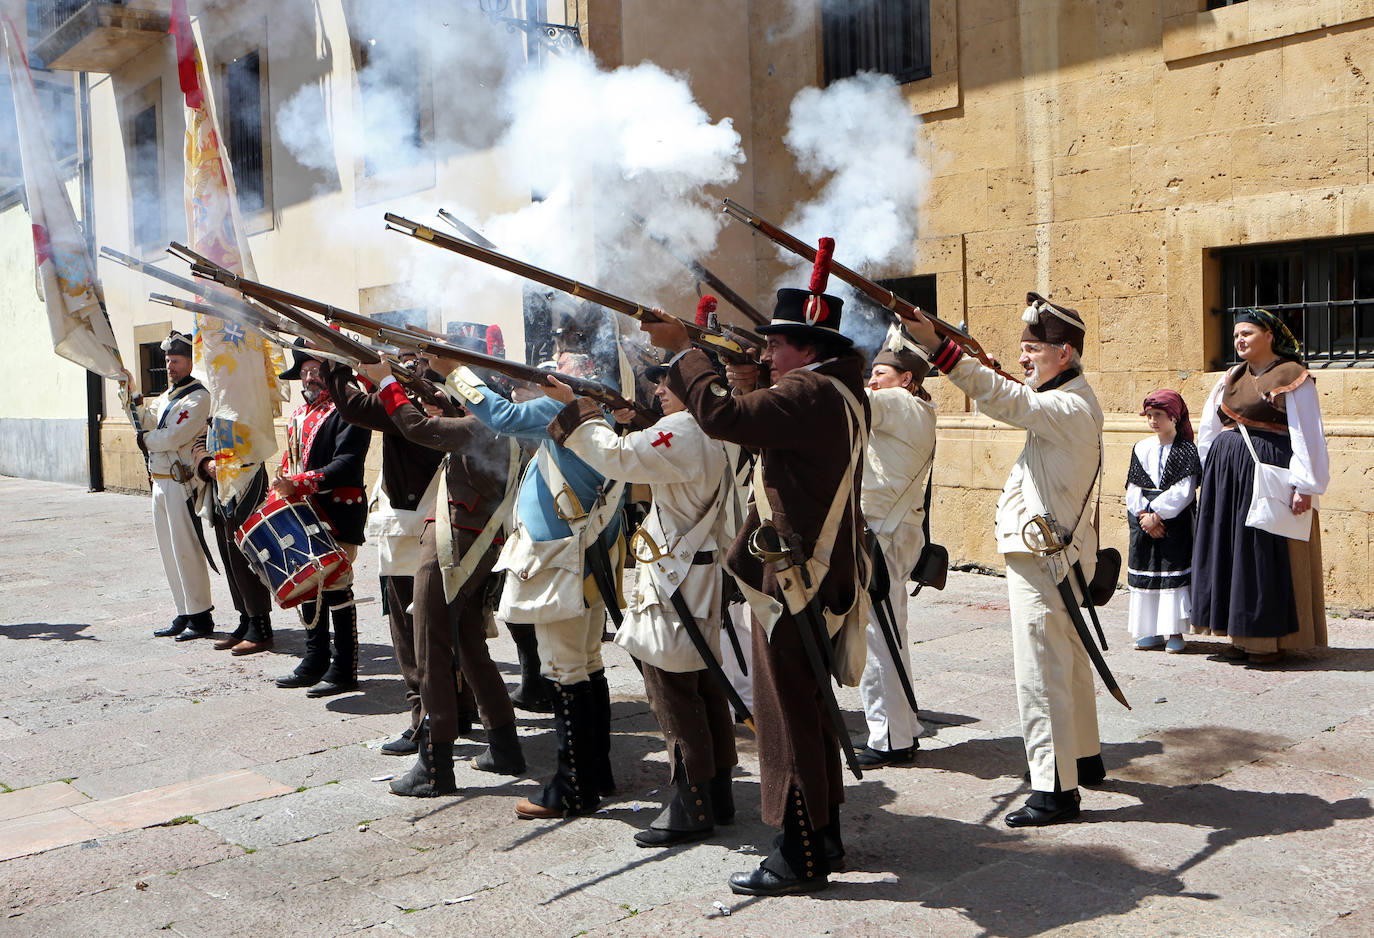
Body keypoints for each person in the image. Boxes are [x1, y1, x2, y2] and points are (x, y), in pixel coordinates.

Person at [642, 240, 870, 897]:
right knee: (809, 710)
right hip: (820, 573)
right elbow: (762, 424)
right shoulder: (839, 389)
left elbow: (719, 418)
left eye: (777, 346)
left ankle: (798, 854)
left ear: (806, 346)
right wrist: (738, 374)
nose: (767, 356)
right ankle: (821, 835)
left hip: (794, 579)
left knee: (786, 718)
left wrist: (685, 348)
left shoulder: (807, 394)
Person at [900, 291, 1105, 828]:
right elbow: (1017, 392)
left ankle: (1053, 788)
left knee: (1040, 671)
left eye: (1033, 348)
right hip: (1054, 553)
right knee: (1068, 660)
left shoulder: (1066, 405)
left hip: (1042, 559)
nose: (1023, 358)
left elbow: (1006, 400)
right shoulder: (1067, 395)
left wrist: (939, 347)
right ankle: (1084, 757)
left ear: (1065, 353)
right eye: (1022, 348)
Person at [544, 363, 738, 847]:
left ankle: (691, 803)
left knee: (672, 690)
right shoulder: (721, 421)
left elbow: (614, 458)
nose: (658, 391)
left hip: (675, 574)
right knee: (705, 683)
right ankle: (718, 791)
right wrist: (637, 417)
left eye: (668, 384)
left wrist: (576, 408)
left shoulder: (684, 429)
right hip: (702, 568)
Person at [457, 344, 625, 820]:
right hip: (579, 562)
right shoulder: (592, 418)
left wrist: (455, 376)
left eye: (552, 371)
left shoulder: (564, 410)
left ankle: (572, 787)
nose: (538, 379)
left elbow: (502, 417)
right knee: (586, 666)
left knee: (567, 672)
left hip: (557, 563)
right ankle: (596, 773)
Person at [355, 351, 527, 797]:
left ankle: (435, 764)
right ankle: (504, 743)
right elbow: (448, 421)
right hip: (475, 544)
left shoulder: (483, 426)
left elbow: (419, 429)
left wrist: (387, 382)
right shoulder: (497, 427)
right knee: (469, 645)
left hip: (450, 546)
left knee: (429, 646)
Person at [319, 357, 445, 754]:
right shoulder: (450, 401)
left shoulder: (406, 409)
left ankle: (424, 723)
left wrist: (335, 363)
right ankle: (459, 711)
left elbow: (352, 406)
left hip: (411, 531)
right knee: (449, 634)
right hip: (434, 523)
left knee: (412, 640)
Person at [1192, 309, 1330, 665]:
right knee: (1229, 550)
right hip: (1226, 476)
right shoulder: (1231, 376)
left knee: (1260, 551)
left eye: (1248, 333)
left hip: (1264, 470)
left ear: (1269, 335)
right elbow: (1209, 428)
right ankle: (1237, 634)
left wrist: (1305, 485)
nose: (1239, 340)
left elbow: (1307, 433)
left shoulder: (1292, 376)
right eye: (1236, 334)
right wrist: (1205, 473)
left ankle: (1265, 640)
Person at [273, 341, 371, 697]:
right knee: (308, 587)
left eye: (317, 370)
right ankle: (315, 658)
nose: (310, 377)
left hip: (337, 511)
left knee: (335, 585)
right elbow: (293, 458)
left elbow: (347, 464)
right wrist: (281, 482)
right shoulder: (300, 414)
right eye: (305, 371)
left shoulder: (349, 409)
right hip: (303, 511)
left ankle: (344, 667)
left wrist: (299, 483)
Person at [857, 339, 936, 767]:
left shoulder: (896, 404)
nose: (872, 380)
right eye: (872, 372)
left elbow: (847, 402)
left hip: (881, 535)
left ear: (907, 379)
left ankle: (890, 739)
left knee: (877, 638)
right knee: (892, 632)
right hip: (896, 531)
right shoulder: (920, 409)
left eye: (880, 373)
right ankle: (903, 725)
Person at [138, 330, 215, 641]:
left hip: (181, 484)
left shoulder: (198, 397)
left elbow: (172, 437)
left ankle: (201, 615)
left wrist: (145, 440)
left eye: (177, 360)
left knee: (187, 550)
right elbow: (146, 421)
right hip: (160, 481)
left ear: (190, 362)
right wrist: (129, 396)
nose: (170, 366)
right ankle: (183, 610)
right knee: (169, 552)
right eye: (168, 360)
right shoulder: (164, 397)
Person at [1125, 390, 1201, 653]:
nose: (1153, 420)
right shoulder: (1141, 447)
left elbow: (1184, 490)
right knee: (1146, 570)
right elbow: (1134, 484)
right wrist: (1144, 516)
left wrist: (1158, 513)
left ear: (1173, 417)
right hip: (1144, 522)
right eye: (1149, 415)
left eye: (1158, 415)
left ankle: (1175, 631)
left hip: (1174, 522)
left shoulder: (1186, 449)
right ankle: (1150, 631)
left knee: (1173, 571)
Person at [189, 432, 274, 654]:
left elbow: (257, 435)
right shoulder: (219, 403)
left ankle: (261, 626)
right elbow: (200, 440)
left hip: (244, 482)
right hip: (221, 488)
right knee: (229, 557)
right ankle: (246, 618)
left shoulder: (246, 402)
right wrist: (207, 463)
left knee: (245, 558)